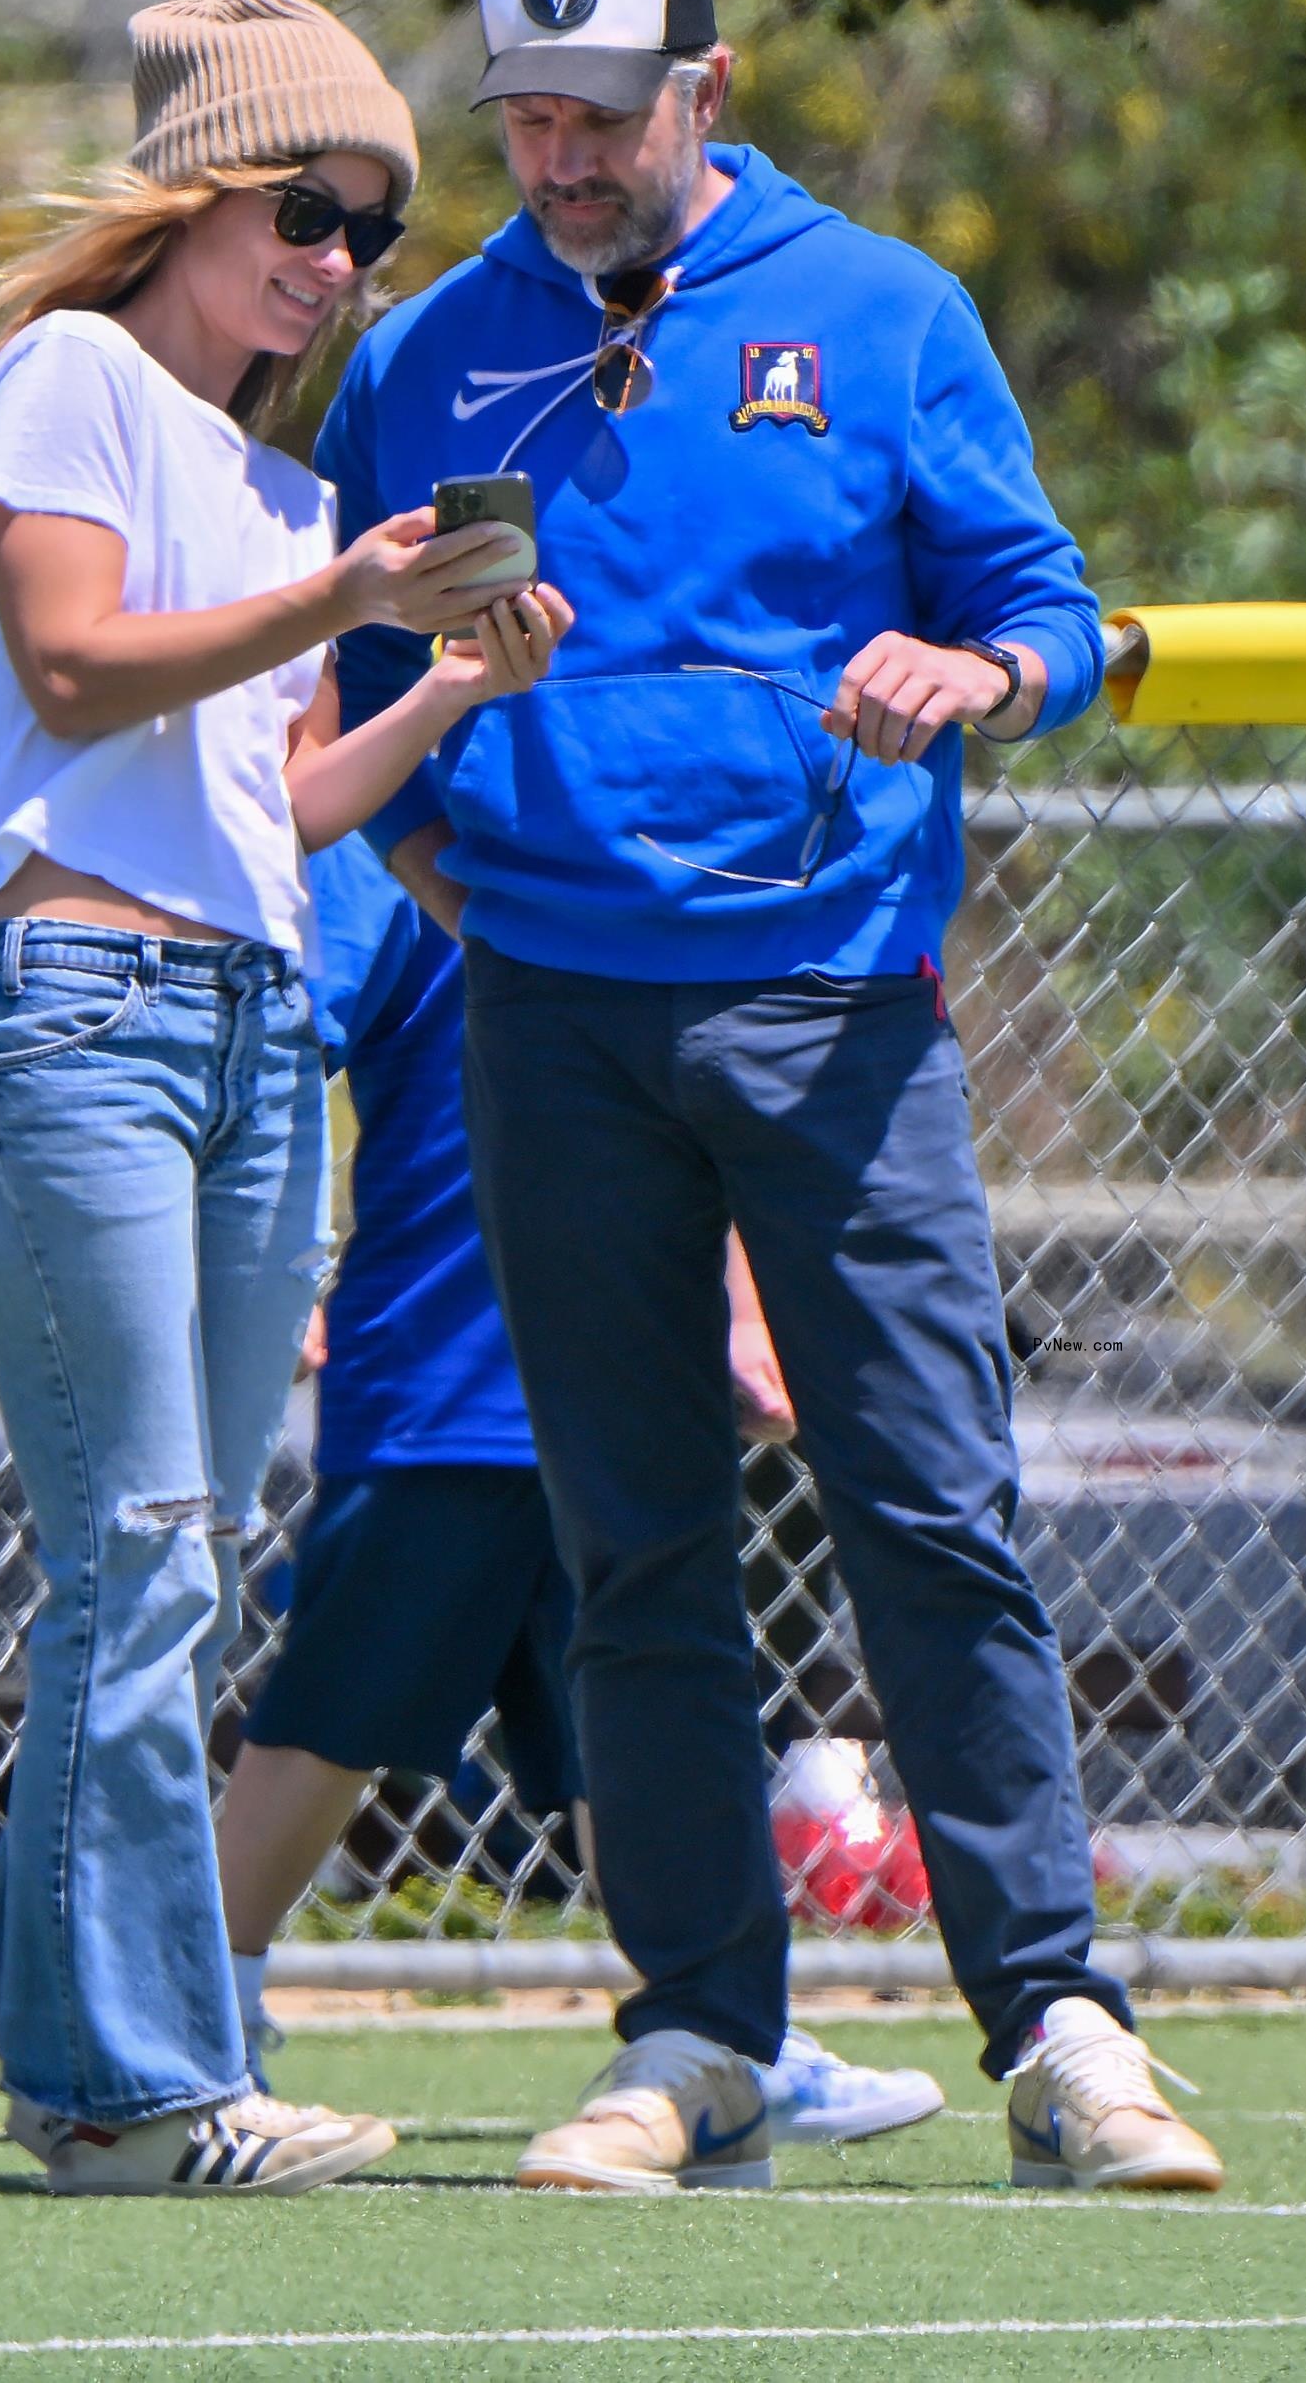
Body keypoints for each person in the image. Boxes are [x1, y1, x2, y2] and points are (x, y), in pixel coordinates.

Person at [319, 0, 1223, 2196]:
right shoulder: (426, 355)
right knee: (633, 1545)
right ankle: (704, 2031)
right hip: (551, 1024)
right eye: (522, 120)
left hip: (834, 1017)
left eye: (601, 119)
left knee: (933, 1507)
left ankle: (1065, 2026)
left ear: (702, 93)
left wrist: (983, 683)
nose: (561, 161)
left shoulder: (886, 312)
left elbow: (1045, 613)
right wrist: (489, 884)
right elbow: (366, 701)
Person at [0, 0, 571, 2198]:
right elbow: (79, 667)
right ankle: (136, 2088)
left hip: (243, 1030)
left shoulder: (269, 470)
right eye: (303, 206)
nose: (334, 260)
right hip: (78, 1011)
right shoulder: (73, 377)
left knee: (160, 1551)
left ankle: (55, 2018)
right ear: (194, 197)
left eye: (370, 227)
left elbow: (278, 793)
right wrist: (338, 590)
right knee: (144, 1555)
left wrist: (443, 683)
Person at [216, 831, 946, 2154]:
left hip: (610, 1361)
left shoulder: (629, 840)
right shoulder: (389, 838)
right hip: (450, 1381)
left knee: (652, 1716)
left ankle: (722, 2024)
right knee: (333, 1713)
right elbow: (269, 1063)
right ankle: (197, 2011)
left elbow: (696, 1104)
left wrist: (733, 1308)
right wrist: (282, 1271)